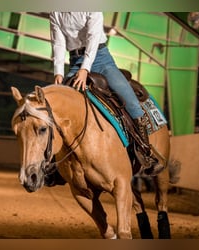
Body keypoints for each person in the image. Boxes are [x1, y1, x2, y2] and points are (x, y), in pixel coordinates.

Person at [48, 12, 164, 180]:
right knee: (57, 107)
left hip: (101, 59)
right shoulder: (55, 11)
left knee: (129, 99)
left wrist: (85, 69)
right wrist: (58, 72)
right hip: (74, 60)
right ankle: (55, 163)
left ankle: (146, 152)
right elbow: (58, 42)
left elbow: (93, 37)